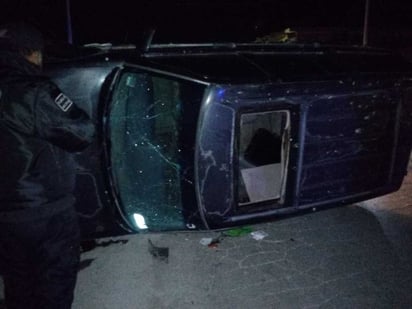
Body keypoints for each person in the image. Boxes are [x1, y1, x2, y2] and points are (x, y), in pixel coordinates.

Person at [0, 22, 95, 309]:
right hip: (44, 210)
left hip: (5, 215)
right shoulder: (35, 91)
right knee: (55, 280)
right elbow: (82, 133)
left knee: (18, 281)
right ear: (32, 54)